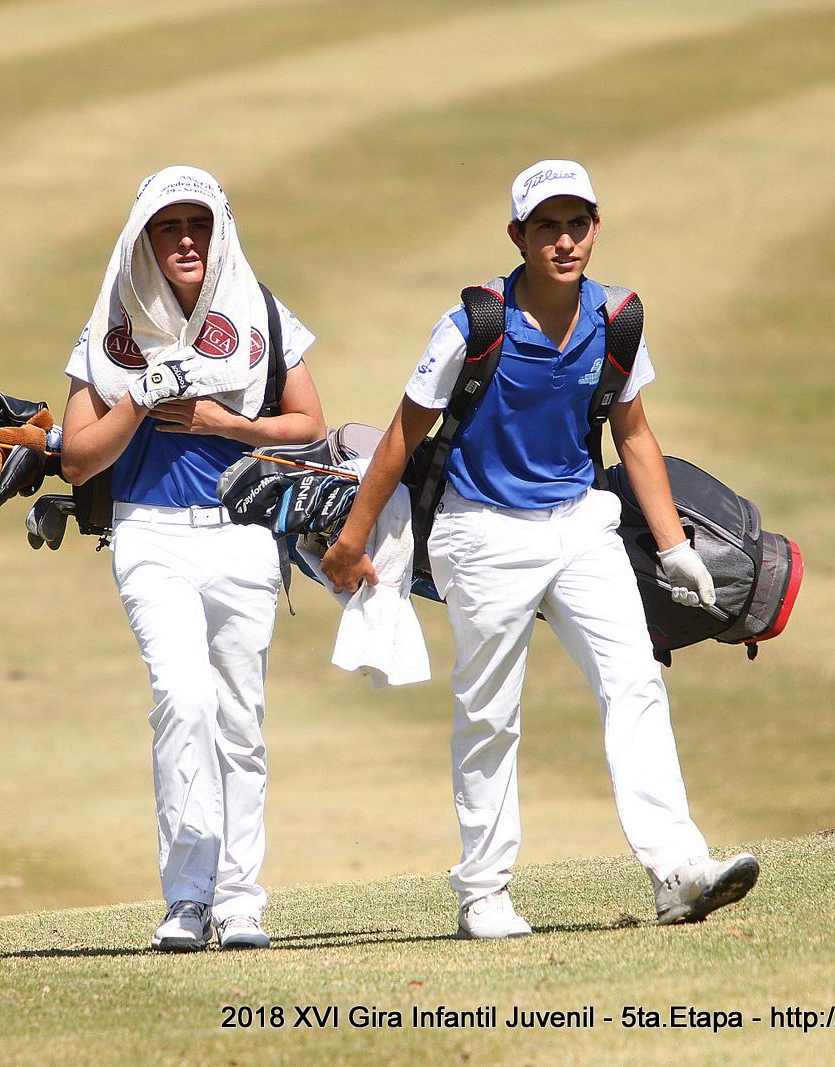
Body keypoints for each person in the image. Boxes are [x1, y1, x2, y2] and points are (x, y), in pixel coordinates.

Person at [321, 160, 758, 937]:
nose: (564, 241)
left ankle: (679, 870)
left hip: (581, 524)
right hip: (481, 533)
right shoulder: (474, 324)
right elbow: (400, 435)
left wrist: (674, 546)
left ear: (596, 227)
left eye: (577, 224)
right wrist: (353, 539)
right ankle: (483, 893)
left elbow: (634, 433)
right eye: (547, 227)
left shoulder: (617, 319)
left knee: (634, 681)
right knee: (490, 712)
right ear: (517, 235)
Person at [58, 166, 326, 952]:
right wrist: (141, 396)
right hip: (149, 534)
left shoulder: (259, 310)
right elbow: (77, 458)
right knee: (182, 698)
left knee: (240, 718)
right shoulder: (111, 326)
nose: (185, 241)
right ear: (142, 237)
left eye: (198, 224)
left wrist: (222, 421)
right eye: (167, 227)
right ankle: (186, 896)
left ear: (220, 230)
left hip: (242, 530)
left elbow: (309, 424)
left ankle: (240, 901)